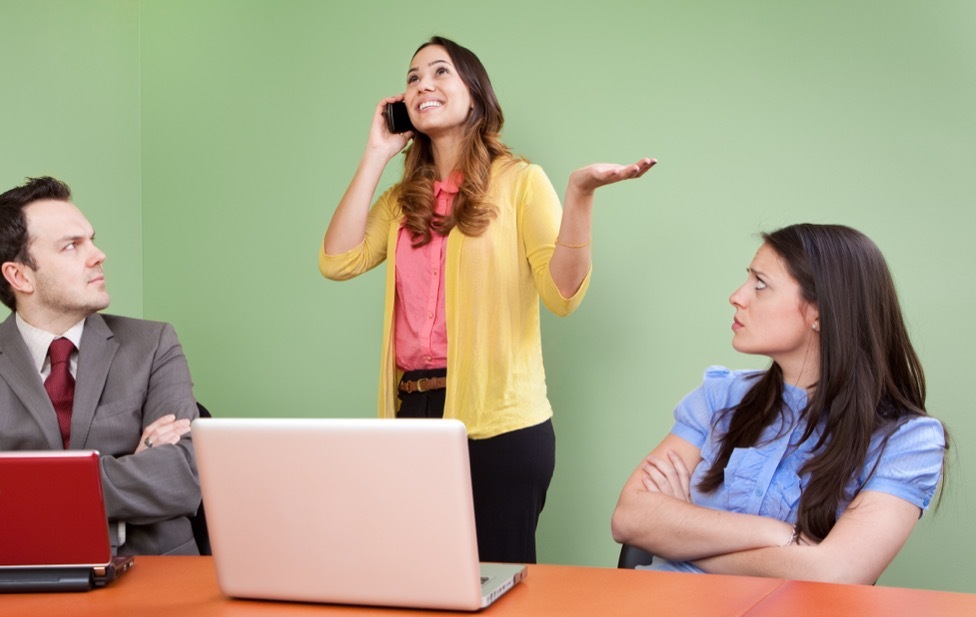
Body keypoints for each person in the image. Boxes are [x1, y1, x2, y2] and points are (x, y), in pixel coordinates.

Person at [319, 35, 655, 564]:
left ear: (475, 94)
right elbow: (337, 260)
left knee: (500, 588)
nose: (423, 84)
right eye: (412, 78)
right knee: (420, 580)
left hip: (502, 424)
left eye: (440, 72)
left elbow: (563, 294)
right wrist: (377, 154)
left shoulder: (521, 182)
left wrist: (579, 196)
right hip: (414, 415)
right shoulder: (403, 200)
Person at [611, 223, 947, 584]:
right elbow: (630, 518)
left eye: (761, 284)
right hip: (666, 606)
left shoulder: (908, 441)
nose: (737, 297)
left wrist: (683, 533)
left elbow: (835, 573)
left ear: (819, 312)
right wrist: (780, 535)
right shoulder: (718, 397)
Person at [0, 176, 202, 556]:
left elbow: (183, 479)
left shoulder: (153, 344)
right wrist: (132, 467)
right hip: (24, 579)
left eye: (91, 239)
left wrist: (22, 486)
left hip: (157, 574)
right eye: (71, 246)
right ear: (19, 276)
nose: (98, 255)